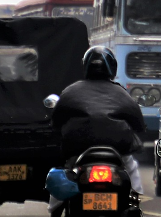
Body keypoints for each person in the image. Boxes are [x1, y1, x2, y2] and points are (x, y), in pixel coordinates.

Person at [47, 46, 145, 215]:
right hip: (117, 150)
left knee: (66, 169)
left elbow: (56, 121)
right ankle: (135, 200)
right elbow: (139, 123)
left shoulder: (71, 90)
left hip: (78, 151)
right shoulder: (122, 92)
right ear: (112, 68)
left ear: (86, 66)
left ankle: (54, 207)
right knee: (131, 165)